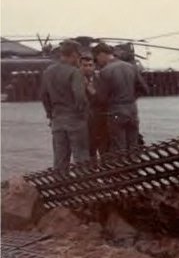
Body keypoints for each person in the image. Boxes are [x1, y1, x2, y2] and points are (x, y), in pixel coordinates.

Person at [40, 40, 89, 170]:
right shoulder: (75, 72)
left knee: (60, 159)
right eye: (78, 55)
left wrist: (51, 115)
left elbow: (44, 96)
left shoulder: (48, 71)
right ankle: (84, 187)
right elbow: (79, 97)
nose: (79, 59)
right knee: (81, 157)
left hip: (57, 119)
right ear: (73, 54)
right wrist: (83, 114)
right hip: (75, 119)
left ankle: (60, 187)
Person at [92, 42, 149, 152]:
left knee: (119, 148)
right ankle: (134, 168)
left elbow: (102, 98)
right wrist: (131, 98)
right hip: (132, 111)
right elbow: (145, 89)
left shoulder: (105, 71)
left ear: (101, 54)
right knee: (133, 146)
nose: (98, 62)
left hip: (116, 112)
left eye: (97, 58)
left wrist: (93, 91)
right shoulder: (131, 67)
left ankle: (123, 169)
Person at [80, 51, 108, 161]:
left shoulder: (101, 80)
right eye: (84, 65)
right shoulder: (75, 81)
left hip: (100, 121)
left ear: (94, 66)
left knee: (104, 152)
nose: (88, 68)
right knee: (88, 153)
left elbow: (105, 100)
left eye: (90, 65)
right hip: (84, 123)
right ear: (79, 66)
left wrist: (93, 92)